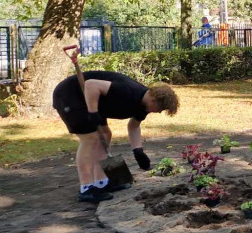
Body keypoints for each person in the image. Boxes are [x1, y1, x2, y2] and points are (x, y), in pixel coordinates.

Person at [53, 48, 179, 203]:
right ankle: (86, 188)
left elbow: (133, 126)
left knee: (105, 135)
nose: (158, 112)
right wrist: (93, 112)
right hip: (71, 96)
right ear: (154, 100)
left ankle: (102, 182)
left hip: (93, 103)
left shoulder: (143, 105)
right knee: (91, 138)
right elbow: (91, 85)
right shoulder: (128, 92)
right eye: (160, 109)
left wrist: (138, 151)